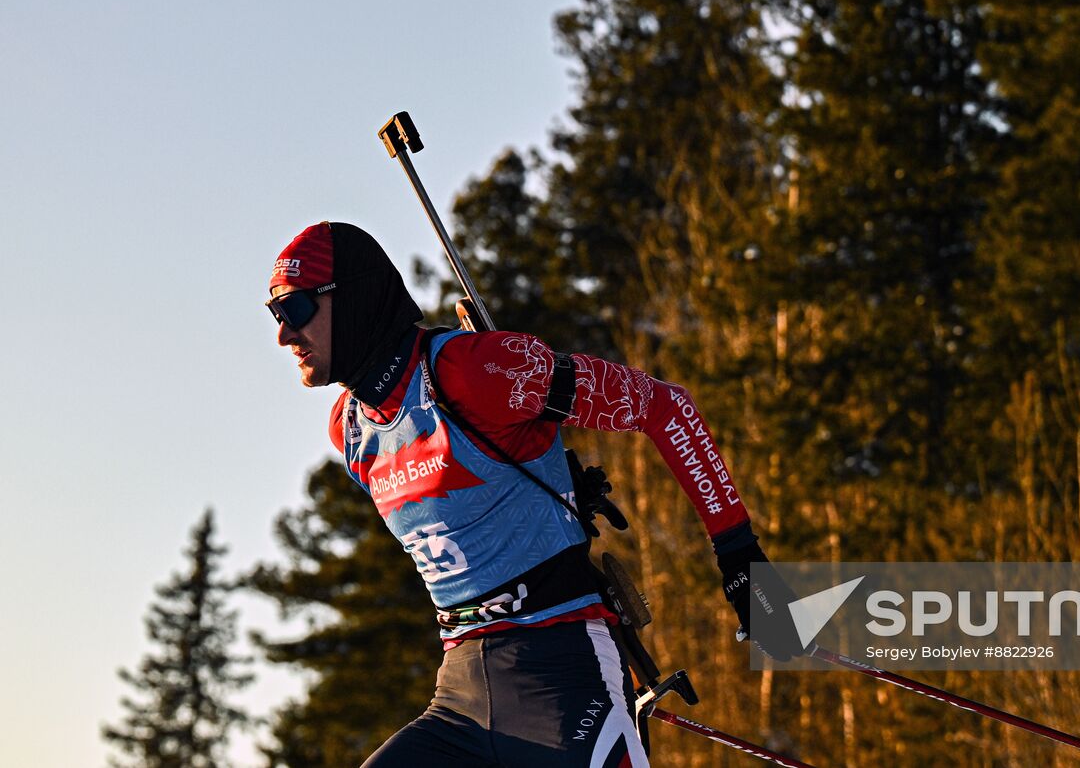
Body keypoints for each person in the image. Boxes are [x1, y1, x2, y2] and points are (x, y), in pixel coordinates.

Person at [266, 221, 806, 767]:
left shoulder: (472, 371)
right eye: (276, 316)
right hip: (460, 699)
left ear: (353, 296)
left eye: (295, 309)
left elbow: (665, 407)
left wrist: (740, 556)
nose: (284, 335)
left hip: (564, 677)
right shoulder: (352, 430)